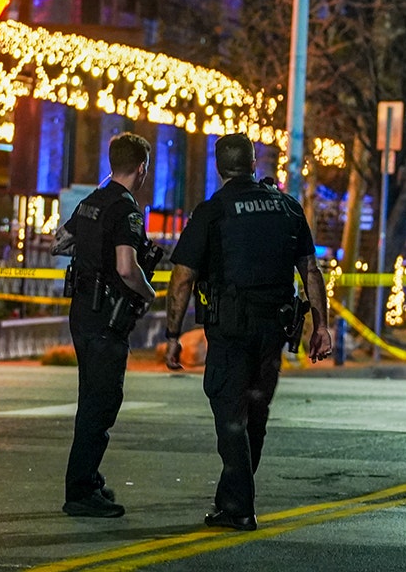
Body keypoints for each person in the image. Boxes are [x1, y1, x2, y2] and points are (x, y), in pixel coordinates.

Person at [163, 133, 331, 532]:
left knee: (230, 413)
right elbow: (310, 270)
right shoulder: (287, 207)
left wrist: (172, 334)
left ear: (219, 167)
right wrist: (321, 326)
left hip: (231, 329)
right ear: (254, 164)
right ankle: (231, 501)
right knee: (255, 413)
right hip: (274, 329)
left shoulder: (213, 211)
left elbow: (183, 277)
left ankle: (239, 508)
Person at [54, 132, 156, 519]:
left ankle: (89, 479)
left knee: (91, 398)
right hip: (107, 316)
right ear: (141, 168)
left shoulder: (91, 202)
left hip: (82, 311)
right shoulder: (126, 209)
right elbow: (127, 268)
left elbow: (59, 243)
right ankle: (80, 490)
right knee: (101, 403)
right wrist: (148, 293)